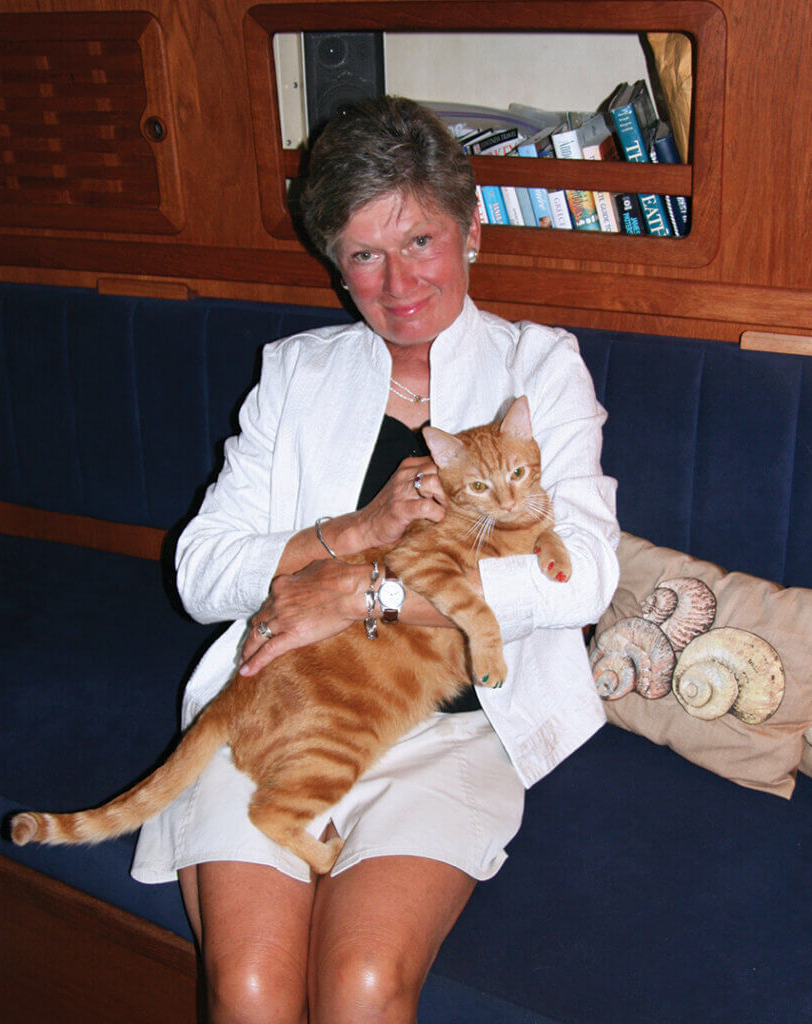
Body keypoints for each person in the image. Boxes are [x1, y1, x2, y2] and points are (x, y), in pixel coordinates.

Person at [132, 96, 619, 1023]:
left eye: (420, 242)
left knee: (359, 989)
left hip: (456, 723)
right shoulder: (296, 372)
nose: (396, 285)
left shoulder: (538, 367)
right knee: (249, 989)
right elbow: (200, 575)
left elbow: (586, 574)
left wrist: (366, 590)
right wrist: (349, 535)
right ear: (334, 265)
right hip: (285, 698)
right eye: (362, 254)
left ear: (472, 233)